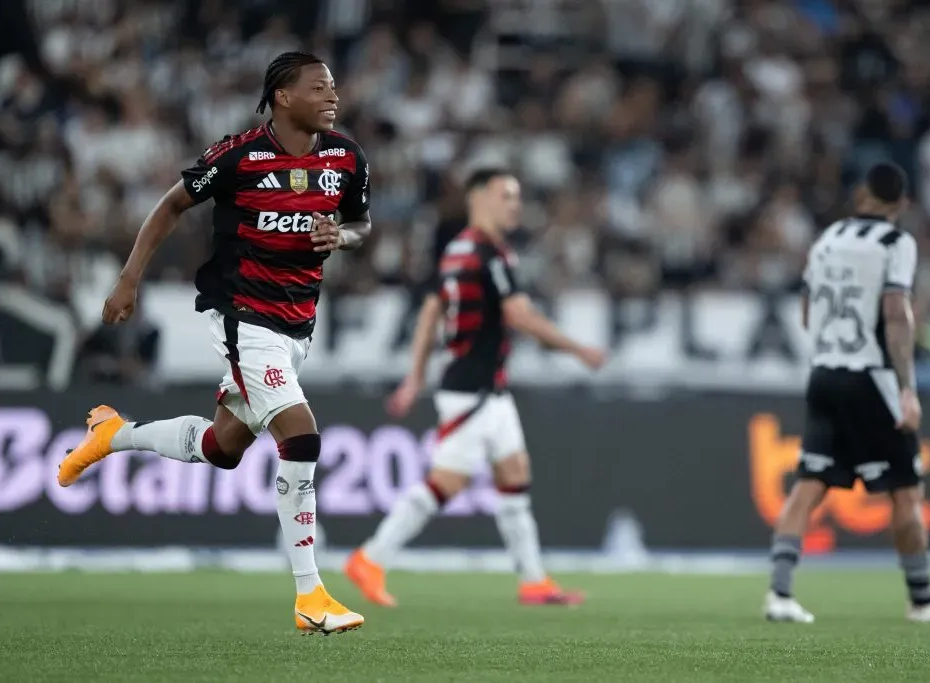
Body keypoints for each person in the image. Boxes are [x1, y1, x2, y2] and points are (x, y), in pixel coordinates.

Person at [57, 52, 370, 635]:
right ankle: (311, 596)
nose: (333, 96)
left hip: (298, 324)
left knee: (222, 448)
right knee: (300, 437)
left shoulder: (345, 157)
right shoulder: (239, 155)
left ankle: (113, 435)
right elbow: (171, 204)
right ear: (283, 95)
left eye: (334, 86)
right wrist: (129, 279)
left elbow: (361, 224)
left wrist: (342, 236)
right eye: (320, 87)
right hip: (242, 317)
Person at [344, 168, 606, 607]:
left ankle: (533, 581)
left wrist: (415, 378)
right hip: (473, 390)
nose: (515, 205)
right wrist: (578, 349)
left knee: (515, 475)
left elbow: (430, 311)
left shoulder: (456, 251)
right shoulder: (488, 254)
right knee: (446, 482)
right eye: (507, 196)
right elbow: (519, 316)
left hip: (486, 388)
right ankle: (370, 559)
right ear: (479, 198)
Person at [764, 162, 930, 624]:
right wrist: (907, 388)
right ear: (901, 204)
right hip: (870, 378)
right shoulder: (896, 243)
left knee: (808, 485)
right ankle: (921, 600)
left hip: (823, 373)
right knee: (905, 491)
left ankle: (780, 595)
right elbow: (897, 313)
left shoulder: (827, 238)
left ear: (863, 196)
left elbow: (805, 310)